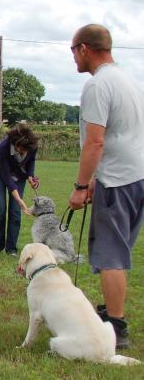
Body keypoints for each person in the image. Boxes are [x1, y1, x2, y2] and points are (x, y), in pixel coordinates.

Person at [69, 23, 144, 349]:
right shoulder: (127, 79)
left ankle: (116, 326)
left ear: (84, 48)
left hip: (118, 180)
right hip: (136, 175)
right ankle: (110, 313)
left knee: (110, 256)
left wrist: (81, 185)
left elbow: (95, 142)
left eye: (73, 51)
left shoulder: (98, 86)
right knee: (117, 250)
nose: (73, 59)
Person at [0, 123, 39, 256]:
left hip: (19, 176)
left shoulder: (31, 146)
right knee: (0, 208)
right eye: (21, 150)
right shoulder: (4, 147)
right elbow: (6, 176)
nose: (23, 153)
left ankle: (11, 248)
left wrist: (30, 176)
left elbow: (31, 161)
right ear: (15, 144)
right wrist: (19, 199)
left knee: (15, 211)